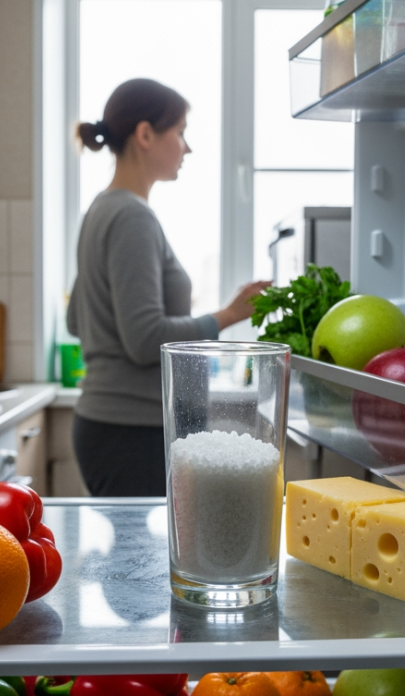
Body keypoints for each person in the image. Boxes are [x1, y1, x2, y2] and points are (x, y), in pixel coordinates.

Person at [66, 78, 270, 497]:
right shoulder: (132, 217)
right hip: (131, 432)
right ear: (145, 135)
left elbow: (75, 319)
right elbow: (144, 339)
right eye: (179, 132)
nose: (186, 147)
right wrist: (229, 314)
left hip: (113, 428)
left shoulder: (100, 211)